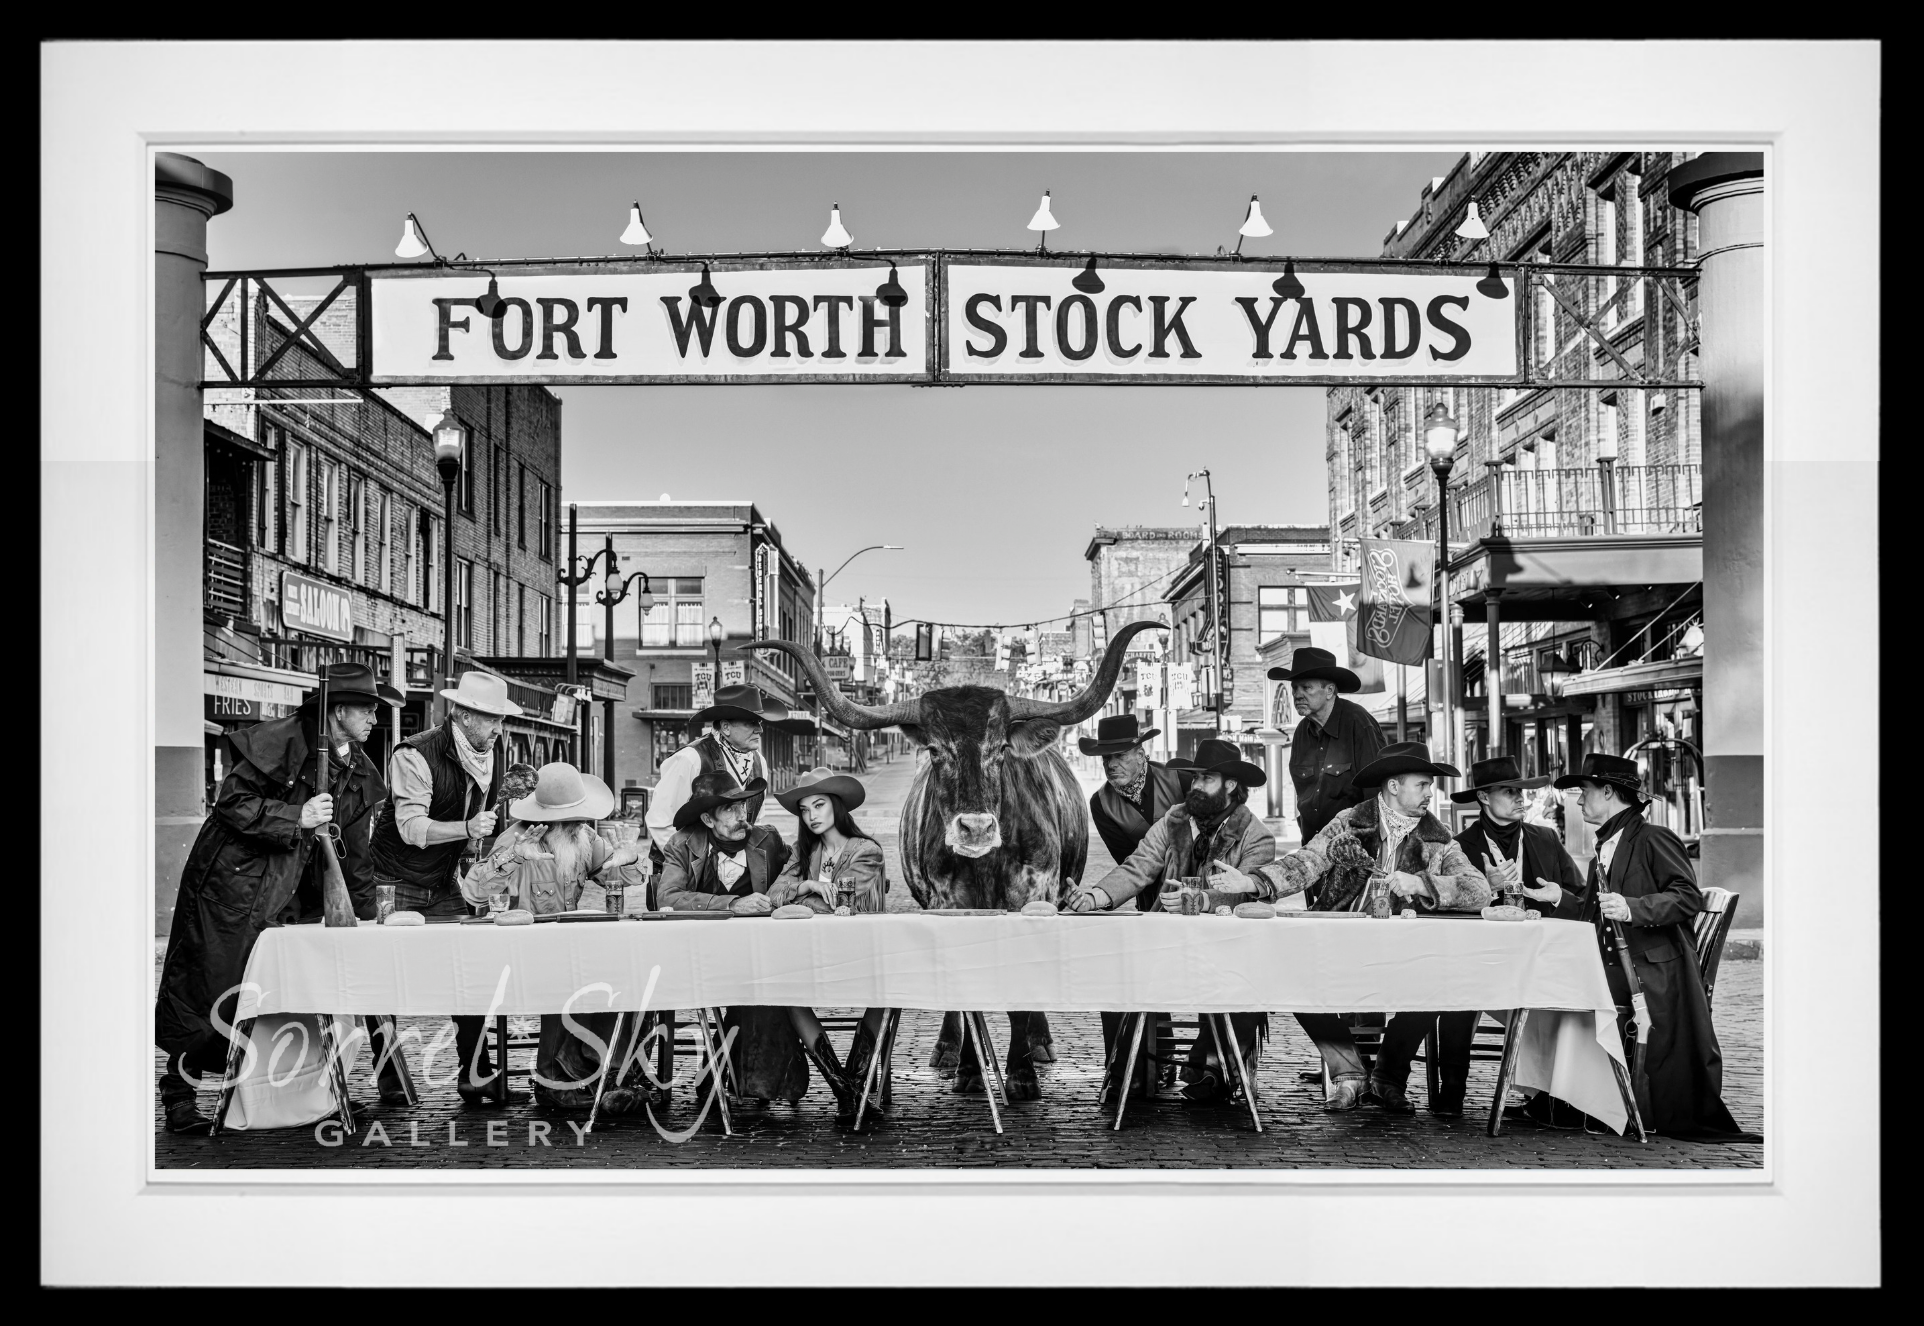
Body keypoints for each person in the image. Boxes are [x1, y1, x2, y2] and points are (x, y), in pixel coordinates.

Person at [154, 662, 399, 1134]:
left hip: (302, 896)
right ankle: (179, 1093)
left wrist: (367, 919)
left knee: (299, 992)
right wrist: (296, 815)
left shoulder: (356, 765)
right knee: (211, 987)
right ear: (338, 709)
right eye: (367, 709)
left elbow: (356, 852)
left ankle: (308, 1095)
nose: (375, 719)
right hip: (236, 888)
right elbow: (232, 804)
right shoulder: (280, 741)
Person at [1226, 742, 1489, 1114]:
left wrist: (1424, 885)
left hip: (1405, 954)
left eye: (1431, 785)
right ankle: (1349, 1073)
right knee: (1289, 977)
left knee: (1439, 982)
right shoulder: (1350, 821)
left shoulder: (1438, 837)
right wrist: (1253, 883)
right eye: (1423, 784)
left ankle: (1388, 1078)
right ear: (1394, 786)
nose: (1431, 793)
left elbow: (1478, 890)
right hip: (1339, 947)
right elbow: (1307, 862)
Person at [1554, 753, 1758, 1142]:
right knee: (1555, 988)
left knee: (1556, 995)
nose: (1579, 801)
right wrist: (1554, 897)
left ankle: (1576, 1103)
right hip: (1620, 964)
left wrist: (1633, 908)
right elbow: (1591, 907)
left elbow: (1686, 897)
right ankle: (1569, 1100)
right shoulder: (1609, 842)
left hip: (1655, 971)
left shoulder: (1653, 838)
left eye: (1585, 792)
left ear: (1609, 792)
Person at [1068, 739, 1276, 1106]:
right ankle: (1127, 1072)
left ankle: (1214, 1069)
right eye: (1194, 778)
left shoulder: (1256, 834)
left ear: (1230, 786)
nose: (1194, 786)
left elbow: (1250, 895)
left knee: (1243, 982)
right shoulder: (1175, 818)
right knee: (1119, 968)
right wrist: (1094, 898)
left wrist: (1198, 901)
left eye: (1205, 779)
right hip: (1166, 945)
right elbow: (1138, 866)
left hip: (1228, 953)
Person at [658, 773, 863, 1124]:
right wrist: (731, 903)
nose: (743, 816)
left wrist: (815, 880)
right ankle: (732, 1073)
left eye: (743, 806)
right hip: (702, 957)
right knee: (759, 991)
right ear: (708, 818)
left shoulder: (766, 839)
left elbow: (797, 873)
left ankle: (752, 1078)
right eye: (730, 809)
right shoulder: (682, 843)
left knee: (772, 990)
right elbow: (668, 897)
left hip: (765, 956)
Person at [363, 670, 522, 1107]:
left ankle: (477, 1075)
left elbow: (482, 824)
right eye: (491, 719)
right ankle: (390, 1077)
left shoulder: (490, 751)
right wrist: (467, 827)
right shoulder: (414, 754)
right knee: (385, 981)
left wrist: (491, 849)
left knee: (467, 970)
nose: (498, 728)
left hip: (443, 878)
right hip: (394, 880)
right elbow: (412, 828)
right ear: (465, 715)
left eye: (500, 720)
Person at [460, 763, 651, 1113]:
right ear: (545, 818)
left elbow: (623, 875)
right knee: (572, 978)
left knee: (629, 974)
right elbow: (473, 893)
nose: (580, 823)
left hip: (569, 948)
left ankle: (608, 1075)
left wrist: (633, 856)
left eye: (581, 816)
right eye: (571, 819)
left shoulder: (584, 838)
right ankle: (558, 1078)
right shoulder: (516, 839)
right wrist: (514, 857)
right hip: (518, 956)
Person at [1429, 756, 1590, 1119]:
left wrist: (1555, 896)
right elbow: (1442, 909)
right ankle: (1452, 1088)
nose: (1520, 799)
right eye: (1509, 791)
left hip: (1540, 962)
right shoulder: (1459, 847)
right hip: (1477, 960)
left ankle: (1551, 1096)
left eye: (1522, 792)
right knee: (1458, 992)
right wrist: (1488, 887)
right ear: (1484, 797)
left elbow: (1583, 903)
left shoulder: (1546, 839)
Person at [767, 767, 892, 1120]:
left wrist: (798, 904)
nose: (811, 816)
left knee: (884, 996)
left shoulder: (867, 850)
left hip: (862, 953)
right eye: (804, 810)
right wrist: (807, 886)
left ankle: (853, 1084)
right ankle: (845, 1089)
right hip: (813, 953)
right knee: (789, 995)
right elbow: (772, 894)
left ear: (836, 806)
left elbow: (844, 904)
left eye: (818, 805)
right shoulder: (803, 852)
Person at [1078, 714, 1190, 1097]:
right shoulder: (1101, 804)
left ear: (1141, 753)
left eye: (1120, 755)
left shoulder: (1179, 779)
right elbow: (1131, 861)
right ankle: (1137, 1066)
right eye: (1105, 758)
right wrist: (1098, 897)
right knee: (1140, 973)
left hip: (1198, 893)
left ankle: (1199, 1063)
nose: (1111, 764)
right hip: (1147, 896)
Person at [645, 684, 798, 881]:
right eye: (751, 722)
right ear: (725, 727)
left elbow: (754, 821)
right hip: (687, 871)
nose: (759, 729)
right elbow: (660, 822)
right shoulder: (691, 758)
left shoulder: (760, 762)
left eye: (759, 722)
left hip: (737, 872)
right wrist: (691, 866)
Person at [1268, 646, 1387, 848]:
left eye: (1306, 688)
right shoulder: (1301, 732)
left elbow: (1376, 796)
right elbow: (1303, 797)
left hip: (1352, 850)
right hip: (1311, 849)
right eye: (1295, 688)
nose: (1297, 694)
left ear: (1330, 691)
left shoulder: (1359, 723)